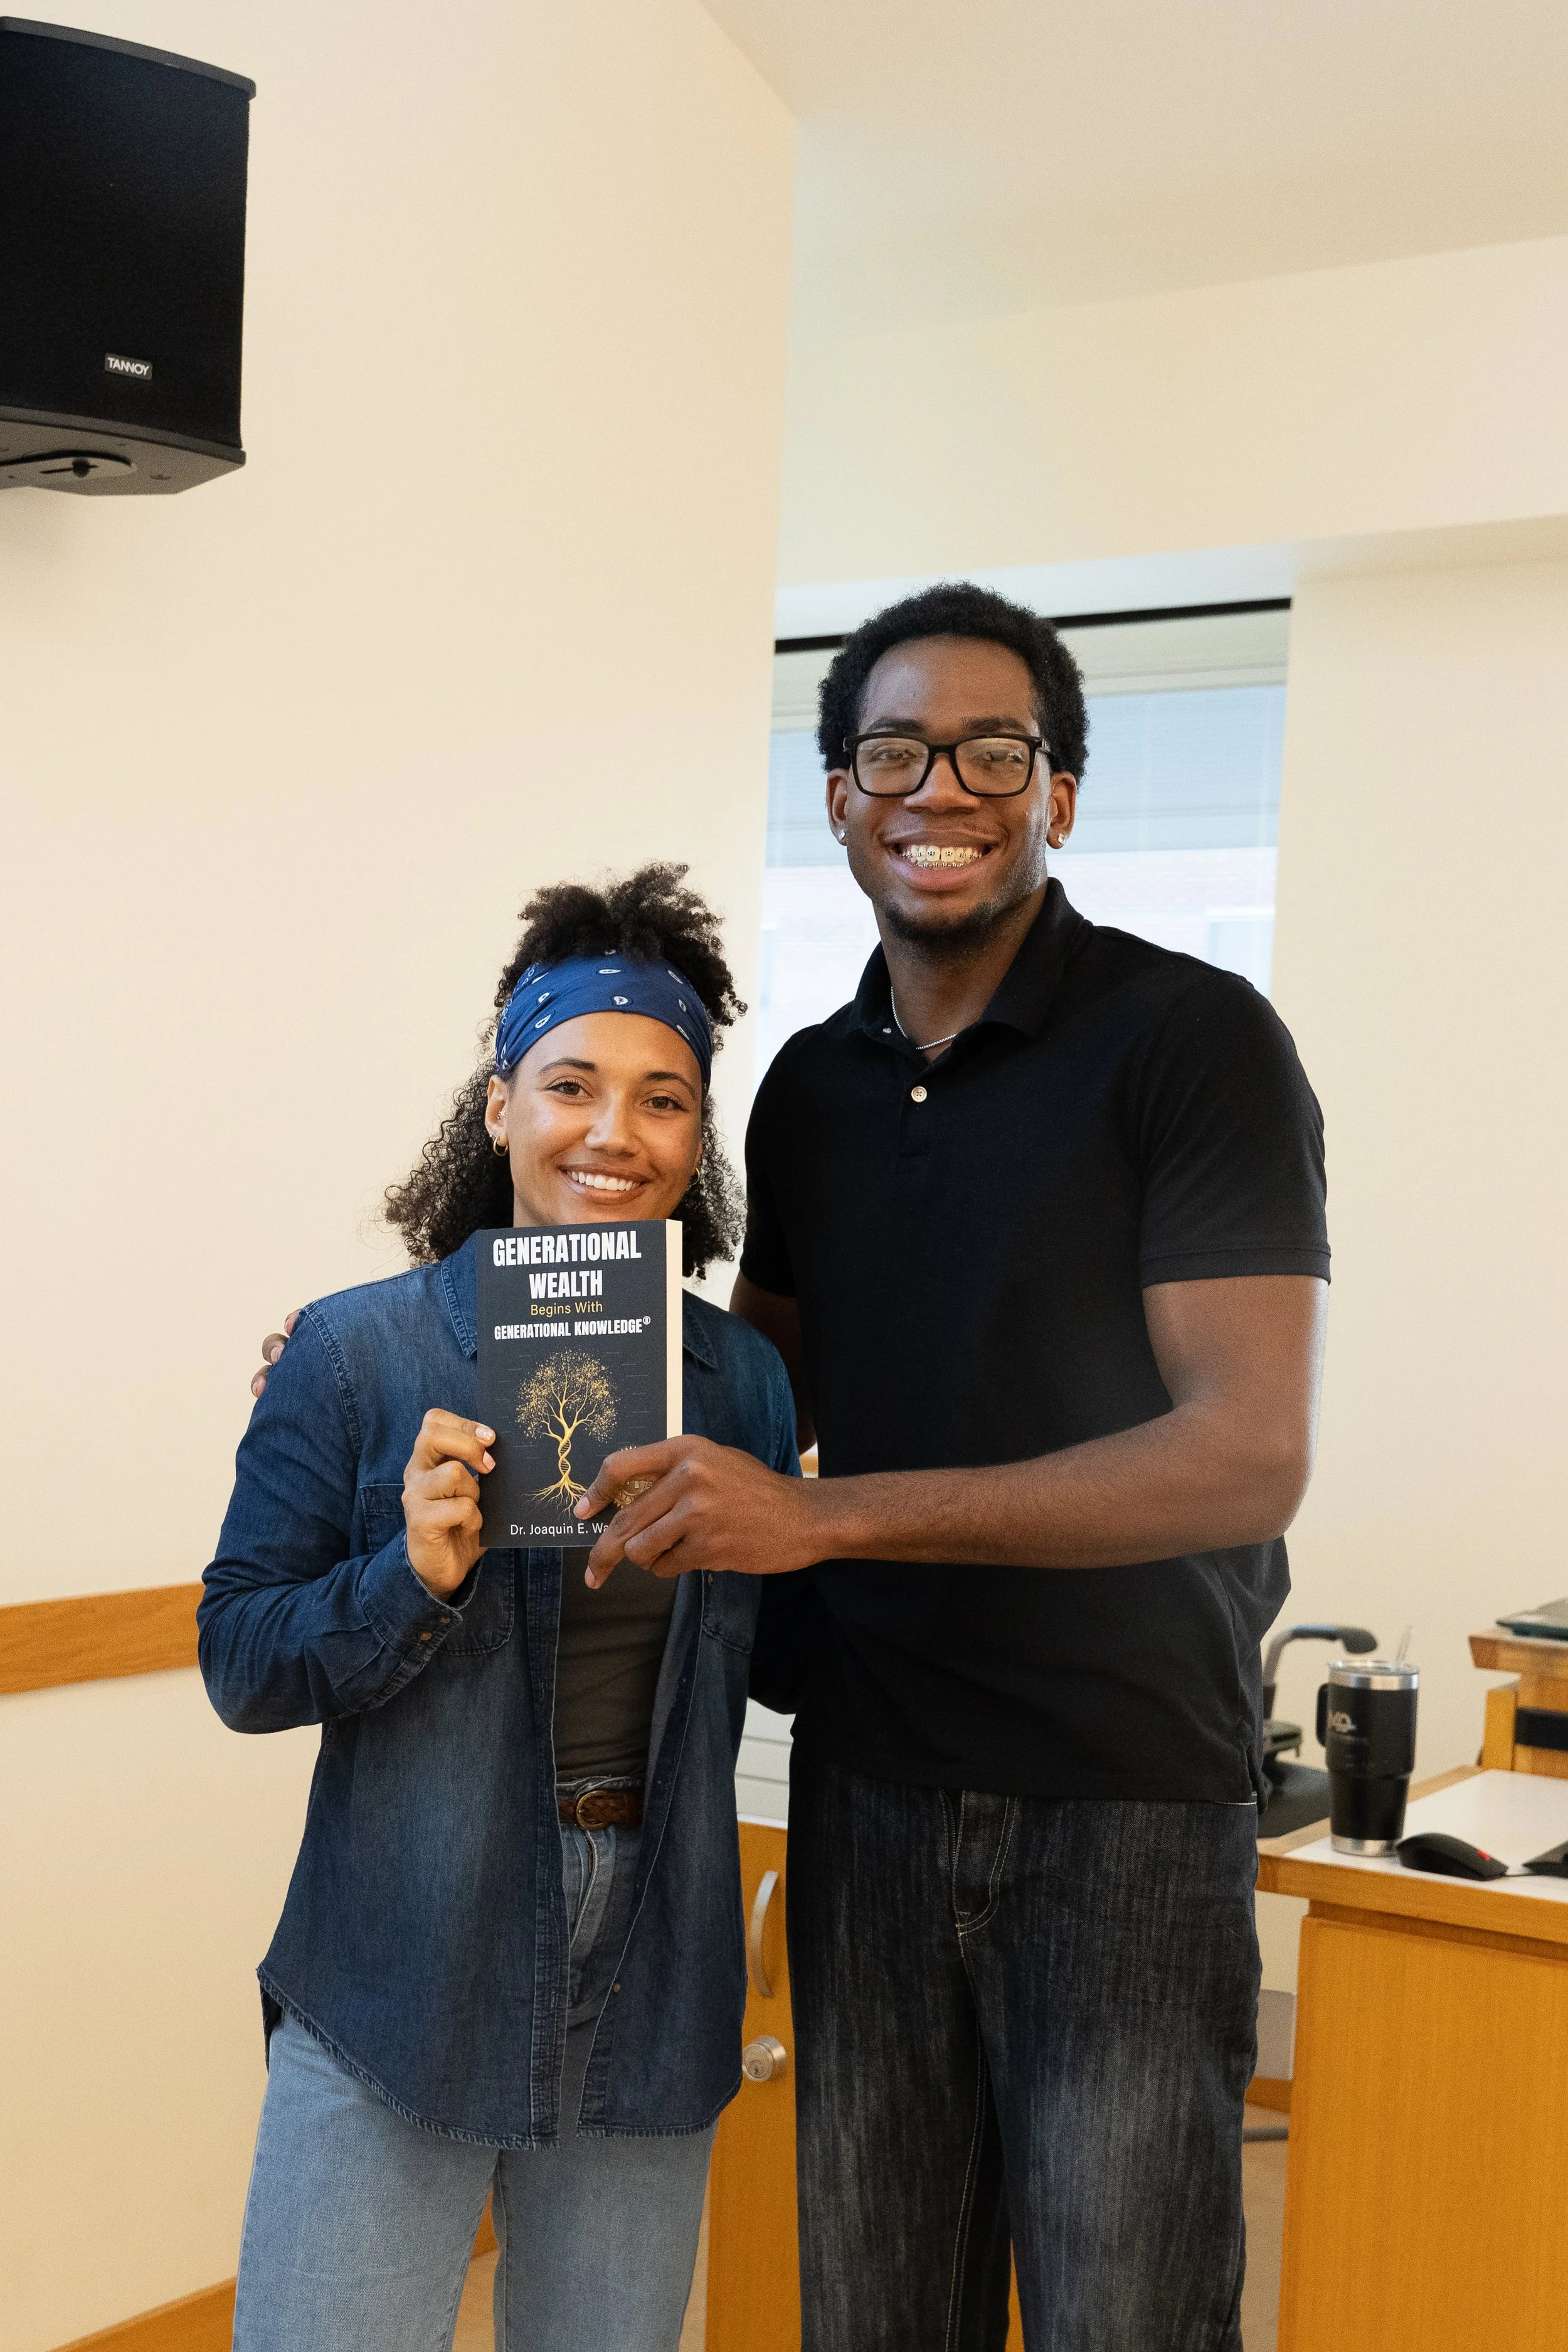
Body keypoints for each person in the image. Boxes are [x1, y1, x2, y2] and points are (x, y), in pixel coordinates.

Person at [571, 584, 1331, 2352]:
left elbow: (1245, 1452)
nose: (943, 787)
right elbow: (745, 1386)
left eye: (997, 749)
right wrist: (397, 1342)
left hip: (1123, 1798)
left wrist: (822, 1516)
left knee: (1121, 2316)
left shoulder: (1192, 1041)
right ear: (837, 796)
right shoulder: (810, 1092)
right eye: (893, 749)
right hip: (870, 1785)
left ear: (1060, 791)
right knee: (873, 2311)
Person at [201, 864, 797, 2352]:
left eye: (663, 1100)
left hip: (655, 1953)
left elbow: (776, 1667)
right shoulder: (355, 1355)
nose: (614, 1133)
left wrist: (809, 1526)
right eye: (571, 1085)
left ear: (695, 1136)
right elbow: (241, 1661)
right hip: (407, 1947)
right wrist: (406, 1574)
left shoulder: (740, 1383)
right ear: (496, 1107)